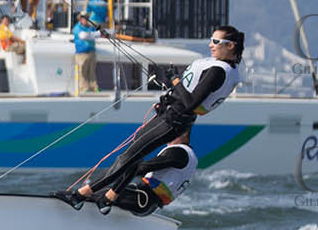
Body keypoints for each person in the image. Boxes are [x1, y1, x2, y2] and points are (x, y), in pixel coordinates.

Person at [60, 26, 242, 206]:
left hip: (173, 120)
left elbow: (190, 103)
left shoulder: (219, 70)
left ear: (231, 46)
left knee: (127, 157)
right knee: (134, 156)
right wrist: (168, 101)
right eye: (211, 40)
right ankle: (109, 198)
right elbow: (188, 99)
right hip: (171, 116)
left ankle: (79, 195)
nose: (211, 45)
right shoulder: (226, 69)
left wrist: (175, 79)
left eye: (216, 42)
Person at [109, 133, 197, 216]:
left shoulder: (179, 151)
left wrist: (118, 171)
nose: (168, 137)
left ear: (183, 134)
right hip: (148, 207)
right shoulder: (192, 158)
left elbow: (143, 168)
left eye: (173, 134)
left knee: (101, 192)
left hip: (140, 199)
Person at [71, 14, 99, 95]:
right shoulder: (77, 28)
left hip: (91, 52)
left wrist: (91, 35)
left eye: (86, 18)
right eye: (83, 18)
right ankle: (84, 88)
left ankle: (94, 87)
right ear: (80, 19)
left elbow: (97, 34)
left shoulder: (90, 27)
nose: (85, 20)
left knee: (92, 71)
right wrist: (92, 35)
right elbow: (83, 36)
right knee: (82, 72)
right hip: (81, 53)